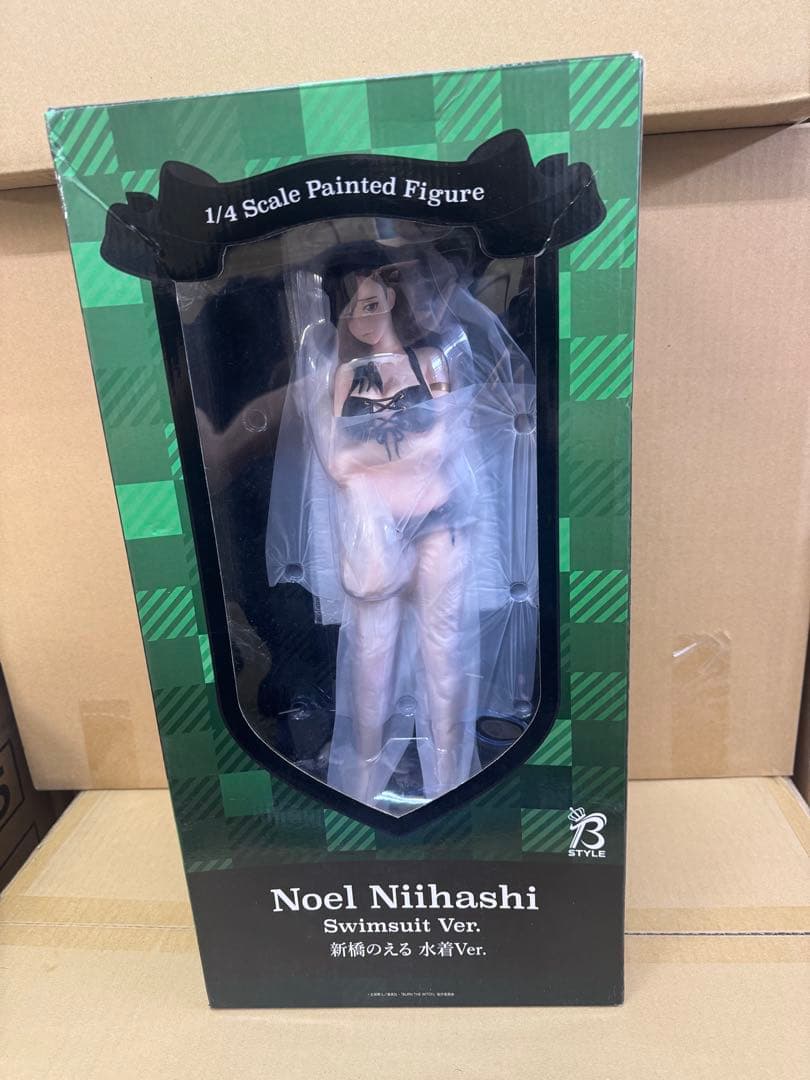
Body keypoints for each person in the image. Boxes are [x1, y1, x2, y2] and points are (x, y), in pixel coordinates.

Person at [267, 242, 539, 815]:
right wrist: (402, 448)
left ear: (392, 298)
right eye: (351, 309)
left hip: (440, 520)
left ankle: (451, 782)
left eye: (370, 304)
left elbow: (441, 444)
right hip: (375, 530)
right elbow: (337, 462)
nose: (361, 319)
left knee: (445, 653)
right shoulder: (344, 376)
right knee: (371, 659)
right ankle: (361, 786)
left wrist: (378, 453)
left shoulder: (432, 362)